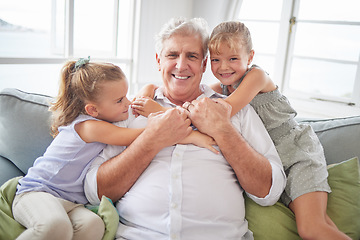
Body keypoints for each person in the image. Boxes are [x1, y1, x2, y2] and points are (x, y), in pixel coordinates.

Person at [84, 17, 286, 240]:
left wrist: (223, 131)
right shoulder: (129, 110)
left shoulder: (236, 110)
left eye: (192, 56)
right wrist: (151, 139)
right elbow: (94, 191)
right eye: (172, 55)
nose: (181, 65)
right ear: (158, 60)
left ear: (204, 64)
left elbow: (270, 191)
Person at [206, 21, 350, 240]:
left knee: (312, 228)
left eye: (233, 58)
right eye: (216, 60)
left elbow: (223, 110)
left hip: (297, 155)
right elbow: (194, 96)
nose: (223, 67)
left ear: (250, 57)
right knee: (322, 227)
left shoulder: (257, 76)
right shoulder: (223, 87)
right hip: (271, 167)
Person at [12, 57, 138, 240]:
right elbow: (135, 137)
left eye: (126, 95)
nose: (128, 103)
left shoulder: (98, 120)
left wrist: (148, 90)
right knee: (55, 226)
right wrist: (163, 124)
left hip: (70, 202)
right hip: (37, 193)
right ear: (93, 110)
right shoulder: (89, 126)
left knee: (94, 225)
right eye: (120, 100)